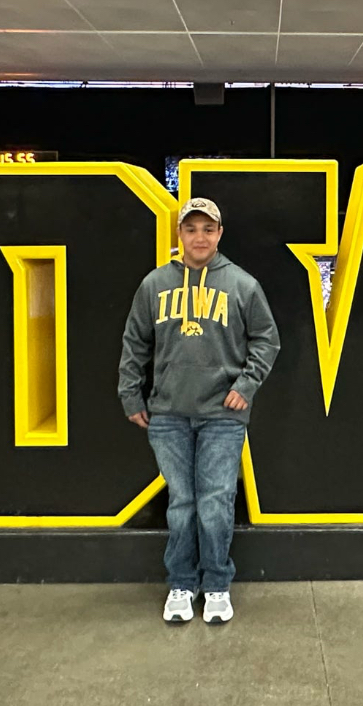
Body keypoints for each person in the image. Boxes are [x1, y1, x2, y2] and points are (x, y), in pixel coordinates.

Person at [118, 197, 280, 624]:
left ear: (220, 234)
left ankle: (217, 586)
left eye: (208, 229)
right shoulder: (154, 285)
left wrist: (245, 386)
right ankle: (180, 584)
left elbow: (267, 339)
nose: (200, 237)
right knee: (183, 503)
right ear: (180, 234)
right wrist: (130, 395)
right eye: (191, 229)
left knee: (215, 502)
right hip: (168, 413)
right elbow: (134, 342)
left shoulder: (243, 285)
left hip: (222, 417)